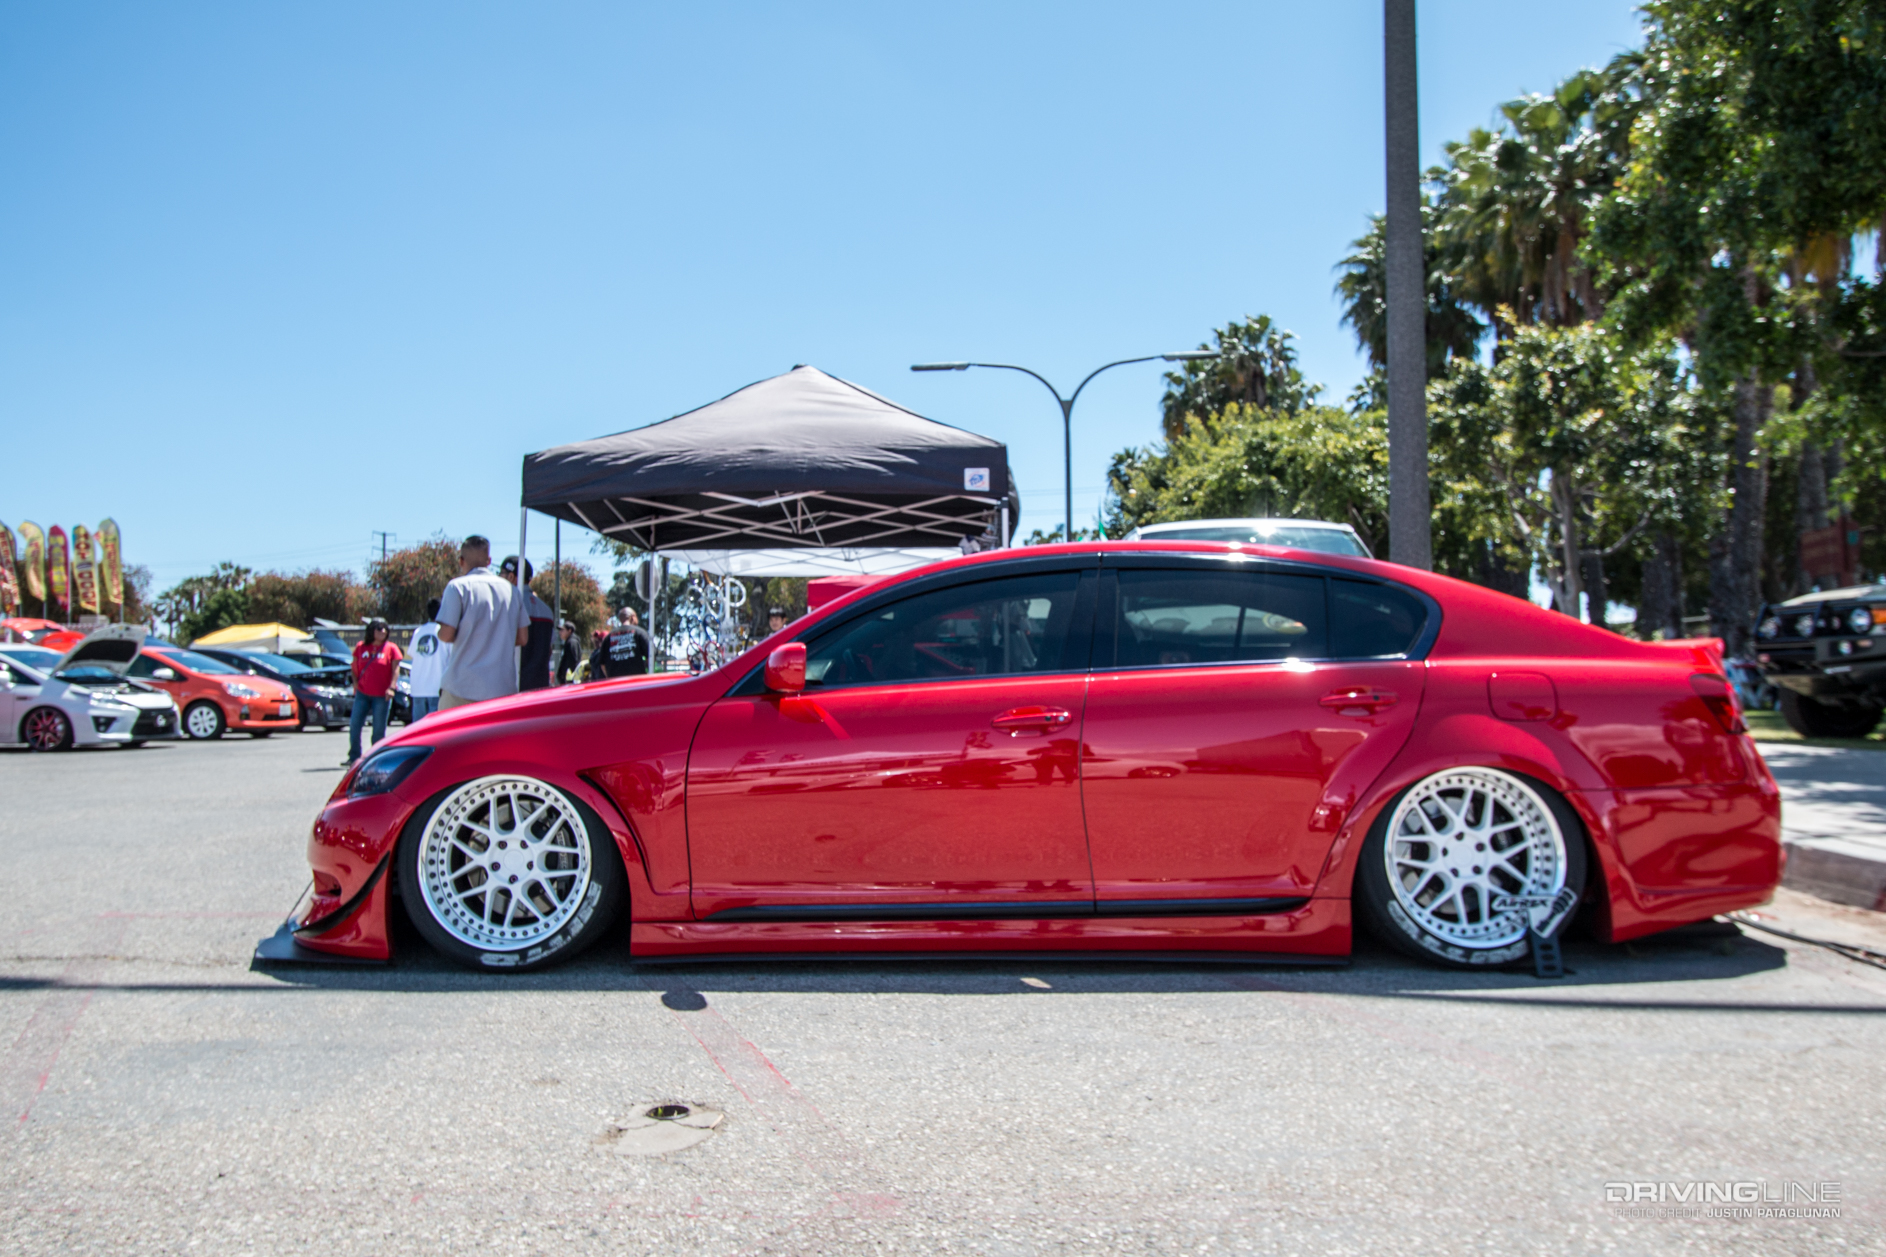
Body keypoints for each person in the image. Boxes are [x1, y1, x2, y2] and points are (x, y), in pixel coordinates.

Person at [436, 534, 530, 710]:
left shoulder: (457, 587)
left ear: (461, 561)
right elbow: (523, 638)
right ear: (489, 560)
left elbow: (446, 635)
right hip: (501, 689)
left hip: (461, 687)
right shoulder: (512, 591)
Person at [346, 619, 403, 765]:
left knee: (378, 729)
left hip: (382, 695)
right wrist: (355, 683)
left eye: (385, 628)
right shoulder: (361, 647)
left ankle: (376, 758)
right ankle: (354, 756)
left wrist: (392, 687)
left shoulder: (391, 648)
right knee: (355, 725)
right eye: (379, 628)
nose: (382, 631)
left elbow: (396, 669)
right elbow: (354, 667)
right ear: (371, 631)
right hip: (362, 694)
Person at [500, 556, 555, 691]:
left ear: (511, 577)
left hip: (513, 684)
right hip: (540, 684)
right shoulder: (547, 610)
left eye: (501, 574)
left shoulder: (508, 605)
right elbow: (549, 649)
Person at [407, 598, 451, 721]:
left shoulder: (418, 631)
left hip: (418, 687)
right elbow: (452, 657)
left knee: (419, 727)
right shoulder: (444, 632)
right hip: (437, 687)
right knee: (435, 726)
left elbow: (412, 653)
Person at [593, 607, 652, 679]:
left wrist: (611, 678)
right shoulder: (640, 633)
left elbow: (602, 664)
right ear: (632, 617)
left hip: (617, 683)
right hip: (636, 682)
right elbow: (651, 656)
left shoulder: (608, 637)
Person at [554, 620, 580, 685]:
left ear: (569, 631)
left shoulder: (572, 642)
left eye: (562, 630)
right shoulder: (569, 642)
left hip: (569, 681)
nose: (560, 632)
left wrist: (569, 678)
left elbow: (573, 662)